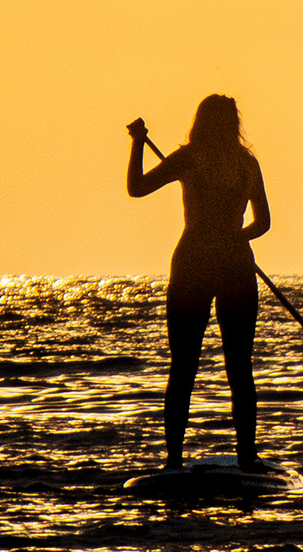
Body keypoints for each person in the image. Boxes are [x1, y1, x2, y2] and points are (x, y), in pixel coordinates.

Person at [126, 95, 272, 471]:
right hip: (236, 265)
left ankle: (173, 460)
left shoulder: (188, 158)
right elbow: (262, 223)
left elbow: (137, 187)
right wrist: (236, 238)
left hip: (193, 262)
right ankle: (247, 457)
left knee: (183, 366)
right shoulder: (247, 163)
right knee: (239, 366)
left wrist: (138, 144)